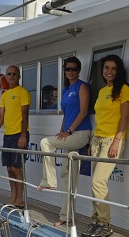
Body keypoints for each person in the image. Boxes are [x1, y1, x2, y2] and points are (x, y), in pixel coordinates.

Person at [82, 55, 129, 237]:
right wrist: (92, 141)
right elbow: (100, 118)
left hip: (112, 139)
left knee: (98, 181)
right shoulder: (103, 91)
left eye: (113, 68)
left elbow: (125, 118)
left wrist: (117, 141)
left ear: (119, 71)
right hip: (97, 139)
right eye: (106, 68)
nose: (109, 72)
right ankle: (96, 218)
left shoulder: (124, 90)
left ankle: (104, 223)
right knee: (94, 183)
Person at [38, 56, 93, 226]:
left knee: (45, 143)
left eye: (74, 69)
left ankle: (49, 181)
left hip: (80, 134)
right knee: (68, 176)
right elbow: (66, 114)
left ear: (79, 70)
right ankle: (66, 216)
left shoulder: (82, 87)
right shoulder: (66, 89)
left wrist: (69, 131)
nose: (71, 72)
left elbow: (83, 112)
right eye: (67, 69)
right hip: (70, 133)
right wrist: (63, 131)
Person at [0, 65, 30, 207]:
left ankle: (20, 199)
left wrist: (23, 135)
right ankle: (13, 197)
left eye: (14, 74)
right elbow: (1, 116)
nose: (12, 76)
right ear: (6, 77)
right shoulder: (5, 95)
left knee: (17, 168)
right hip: (8, 135)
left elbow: (25, 115)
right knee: (9, 168)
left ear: (19, 76)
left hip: (19, 134)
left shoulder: (23, 92)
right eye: (9, 74)